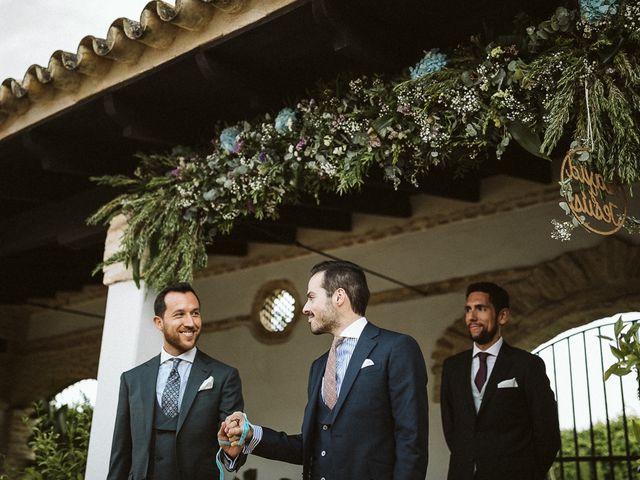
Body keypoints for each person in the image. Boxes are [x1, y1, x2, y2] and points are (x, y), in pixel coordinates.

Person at [219, 260, 429, 479]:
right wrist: (251, 434)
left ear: (339, 297)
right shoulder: (319, 367)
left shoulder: (396, 348)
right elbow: (313, 446)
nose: (305, 308)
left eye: (311, 297)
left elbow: (411, 440)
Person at [107, 282, 244, 480]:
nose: (190, 322)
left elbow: (232, 448)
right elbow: (121, 453)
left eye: (195, 313)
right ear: (158, 322)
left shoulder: (225, 377)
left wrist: (234, 450)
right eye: (179, 314)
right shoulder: (132, 380)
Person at [440, 282, 560, 480]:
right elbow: (452, 429)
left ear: (502, 316)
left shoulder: (527, 365)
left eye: (481, 308)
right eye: (468, 309)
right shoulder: (452, 367)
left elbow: (547, 433)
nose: (472, 317)